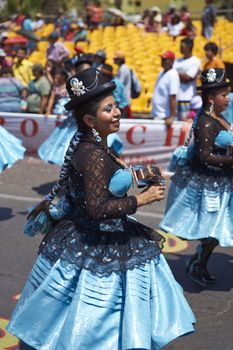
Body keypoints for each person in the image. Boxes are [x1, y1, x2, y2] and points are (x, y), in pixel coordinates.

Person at [7, 67, 195, 349]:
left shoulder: (93, 145)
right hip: (96, 241)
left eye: (116, 105)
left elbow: (104, 186)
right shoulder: (92, 154)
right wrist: (141, 200)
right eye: (109, 109)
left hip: (91, 234)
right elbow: (96, 209)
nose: (117, 112)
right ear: (89, 119)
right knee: (93, 323)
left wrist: (138, 176)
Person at [160, 68, 233, 286]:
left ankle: (200, 261)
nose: (228, 98)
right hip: (209, 186)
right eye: (223, 94)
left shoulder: (217, 118)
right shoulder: (206, 122)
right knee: (213, 228)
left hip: (221, 183)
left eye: (228, 93)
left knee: (218, 228)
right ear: (211, 98)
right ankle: (199, 262)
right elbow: (203, 157)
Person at [173, 37, 201, 120]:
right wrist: (180, 75)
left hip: (187, 98)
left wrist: (174, 73)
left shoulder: (195, 61)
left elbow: (188, 78)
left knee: (185, 123)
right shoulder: (177, 61)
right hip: (176, 97)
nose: (180, 48)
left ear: (188, 47)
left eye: (182, 46)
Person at [152, 50, 180, 128]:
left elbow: (173, 97)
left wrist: (171, 116)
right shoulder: (162, 72)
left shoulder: (173, 75)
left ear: (171, 61)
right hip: (158, 114)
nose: (162, 61)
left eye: (165, 59)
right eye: (162, 59)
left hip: (165, 117)